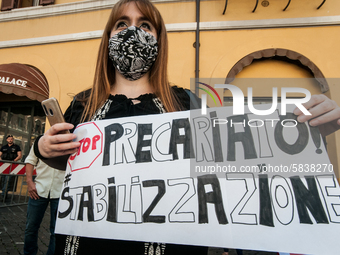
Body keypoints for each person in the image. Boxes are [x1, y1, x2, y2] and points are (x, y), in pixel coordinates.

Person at [33, 0, 340, 254]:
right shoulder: (82, 105)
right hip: (86, 244)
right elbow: (70, 163)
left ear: (158, 38)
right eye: (122, 24)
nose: (132, 32)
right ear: (109, 37)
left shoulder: (187, 103)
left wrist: (304, 130)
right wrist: (43, 149)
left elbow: (231, 164)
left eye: (145, 25)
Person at [24, 145, 65, 255]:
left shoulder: (71, 142)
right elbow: (30, 160)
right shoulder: (41, 141)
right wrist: (29, 183)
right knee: (31, 228)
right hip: (38, 190)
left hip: (61, 193)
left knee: (56, 231)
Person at [0, 134, 22, 200]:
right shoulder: (3, 147)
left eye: (11, 139)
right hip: (4, 165)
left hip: (11, 165)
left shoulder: (16, 147)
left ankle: (3, 195)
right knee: (3, 180)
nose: (10, 140)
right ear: (7, 140)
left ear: (13, 139)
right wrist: (1, 161)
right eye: (9, 139)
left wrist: (13, 161)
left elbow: (19, 155)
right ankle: (4, 193)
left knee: (7, 180)